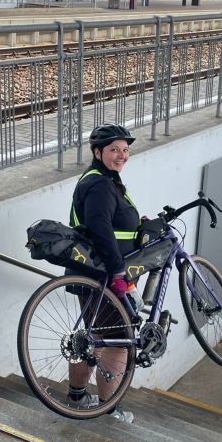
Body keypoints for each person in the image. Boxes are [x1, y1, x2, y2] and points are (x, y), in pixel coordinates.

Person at [67, 124, 141, 423]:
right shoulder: (100, 184)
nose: (121, 155)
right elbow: (101, 228)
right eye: (114, 150)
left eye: (124, 149)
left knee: (95, 337)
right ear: (98, 153)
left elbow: (111, 221)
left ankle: (77, 396)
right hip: (103, 273)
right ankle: (109, 408)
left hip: (93, 272)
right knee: (117, 340)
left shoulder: (103, 179)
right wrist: (119, 271)